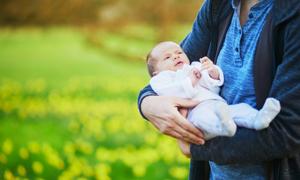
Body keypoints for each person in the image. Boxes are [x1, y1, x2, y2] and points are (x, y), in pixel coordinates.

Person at [138, 0, 300, 179]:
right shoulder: (218, 5)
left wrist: (195, 146)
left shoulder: (294, 14)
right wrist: (146, 103)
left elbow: (290, 132)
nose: (175, 56)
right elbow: (173, 66)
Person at [147, 41, 280, 140]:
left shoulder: (194, 67)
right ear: (155, 72)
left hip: (218, 104)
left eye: (179, 53)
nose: (176, 57)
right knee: (205, 120)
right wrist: (190, 81)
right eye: (167, 57)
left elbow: (214, 87)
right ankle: (222, 128)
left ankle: (258, 119)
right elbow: (171, 93)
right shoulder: (161, 79)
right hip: (195, 111)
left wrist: (212, 72)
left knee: (240, 108)